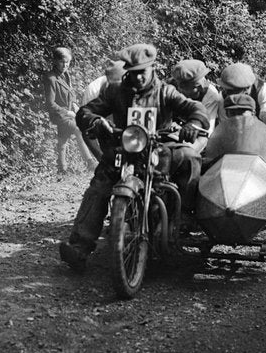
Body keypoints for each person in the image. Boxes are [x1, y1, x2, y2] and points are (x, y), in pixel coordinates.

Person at [58, 43, 209, 271]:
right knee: (100, 185)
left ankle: (183, 219)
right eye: (134, 72)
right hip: (125, 150)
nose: (138, 78)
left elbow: (194, 108)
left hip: (159, 148)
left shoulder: (166, 91)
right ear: (127, 70)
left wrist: (194, 123)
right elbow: (85, 112)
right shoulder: (115, 91)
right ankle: (80, 246)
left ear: (153, 69)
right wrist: (96, 121)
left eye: (143, 72)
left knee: (190, 157)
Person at [202, 93, 266, 182]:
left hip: (255, 181)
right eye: (232, 113)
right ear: (227, 114)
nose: (237, 117)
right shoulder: (220, 135)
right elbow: (206, 157)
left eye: (241, 113)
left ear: (253, 113)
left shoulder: (263, 134)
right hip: (226, 180)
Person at [43, 46, 94, 174]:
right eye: (62, 61)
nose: (65, 65)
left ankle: (62, 168)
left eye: (68, 62)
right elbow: (50, 104)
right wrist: (68, 112)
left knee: (63, 138)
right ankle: (90, 162)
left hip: (69, 113)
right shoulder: (51, 78)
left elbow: (71, 95)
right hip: (58, 114)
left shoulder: (66, 75)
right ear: (55, 61)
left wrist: (76, 106)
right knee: (78, 129)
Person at [168, 59, 222, 154]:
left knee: (187, 154)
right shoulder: (169, 89)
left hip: (196, 134)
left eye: (202, 83)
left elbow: (205, 132)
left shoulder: (210, 94)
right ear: (181, 87)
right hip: (170, 131)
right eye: (195, 87)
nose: (201, 88)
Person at [79, 59, 125, 161]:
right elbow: (85, 129)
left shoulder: (135, 88)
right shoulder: (93, 90)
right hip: (105, 128)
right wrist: (101, 158)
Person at [218, 63, 266, 129]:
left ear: (246, 88)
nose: (226, 92)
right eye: (225, 88)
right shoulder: (222, 98)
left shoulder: (264, 90)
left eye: (231, 90)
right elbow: (225, 126)